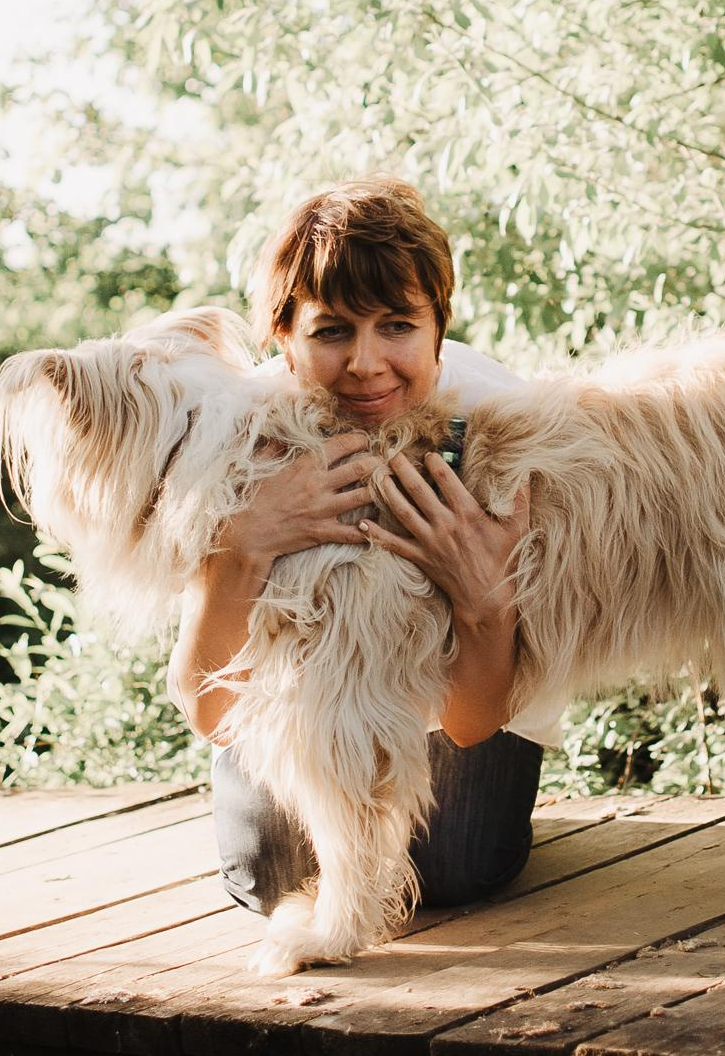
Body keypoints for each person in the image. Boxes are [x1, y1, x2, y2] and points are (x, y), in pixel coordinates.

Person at [167, 177, 563, 915]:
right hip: (296, 708)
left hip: (465, 711)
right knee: (275, 875)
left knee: (458, 865)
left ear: (439, 327)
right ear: (283, 339)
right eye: (332, 331)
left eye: (397, 325)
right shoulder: (238, 438)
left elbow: (475, 718)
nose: (367, 363)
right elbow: (211, 709)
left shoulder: (502, 423)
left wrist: (483, 595)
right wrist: (243, 548)